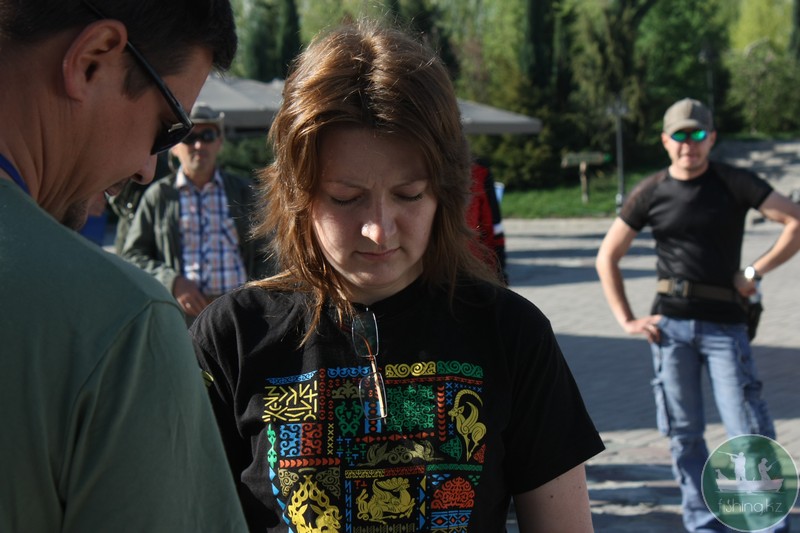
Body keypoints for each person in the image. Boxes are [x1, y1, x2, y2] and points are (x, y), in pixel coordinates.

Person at [191, 19, 604, 532]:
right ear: (298, 194)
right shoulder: (232, 335)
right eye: (346, 198)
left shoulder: (511, 332)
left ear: (445, 194)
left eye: (409, 195)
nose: (379, 230)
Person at [0, 1, 248, 531]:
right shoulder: (125, 328)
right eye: (168, 127)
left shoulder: (239, 193)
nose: (146, 168)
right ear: (92, 60)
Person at [596, 97, 800, 533]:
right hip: (669, 330)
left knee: (746, 429)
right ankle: (702, 522)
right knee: (683, 434)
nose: (689, 143)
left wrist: (754, 271)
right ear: (666, 140)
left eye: (698, 134)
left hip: (726, 328)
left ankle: (766, 522)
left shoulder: (733, 182)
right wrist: (627, 319)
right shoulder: (651, 191)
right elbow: (607, 256)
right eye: (681, 135)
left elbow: (795, 221)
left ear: (712, 138)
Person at [122, 103, 274, 324]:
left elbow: (268, 250)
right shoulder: (159, 196)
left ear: (219, 142)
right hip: (182, 319)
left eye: (208, 136)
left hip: (240, 315)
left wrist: (253, 296)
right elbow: (133, 256)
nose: (199, 145)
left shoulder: (243, 191)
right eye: (189, 137)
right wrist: (172, 281)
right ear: (174, 147)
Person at [467, 158, 508, 284]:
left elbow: (492, 225)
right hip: (469, 267)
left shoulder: (479, 173)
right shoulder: (478, 172)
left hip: (470, 268)